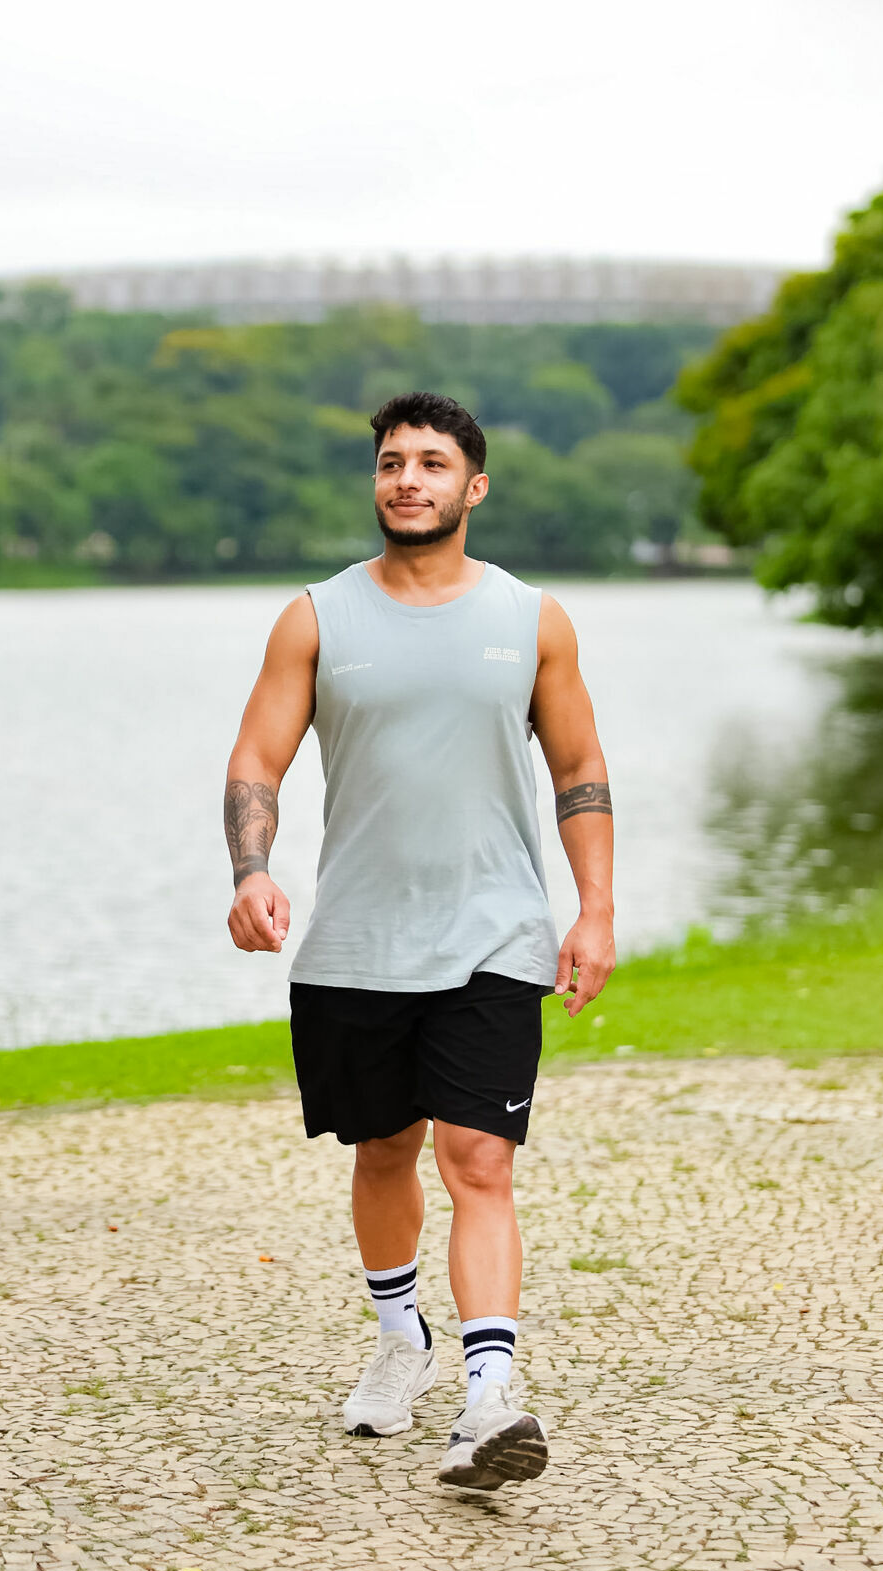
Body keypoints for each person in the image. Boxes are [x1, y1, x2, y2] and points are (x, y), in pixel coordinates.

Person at [225, 391, 615, 1490]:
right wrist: (252, 871)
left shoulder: (533, 618)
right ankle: (402, 1338)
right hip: (355, 940)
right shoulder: (316, 617)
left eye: (431, 463)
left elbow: (580, 775)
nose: (408, 479)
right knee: (383, 1151)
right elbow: (256, 761)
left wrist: (595, 909)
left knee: (478, 1158)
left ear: (472, 487)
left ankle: (491, 1397)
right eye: (392, 462)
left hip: (494, 932)